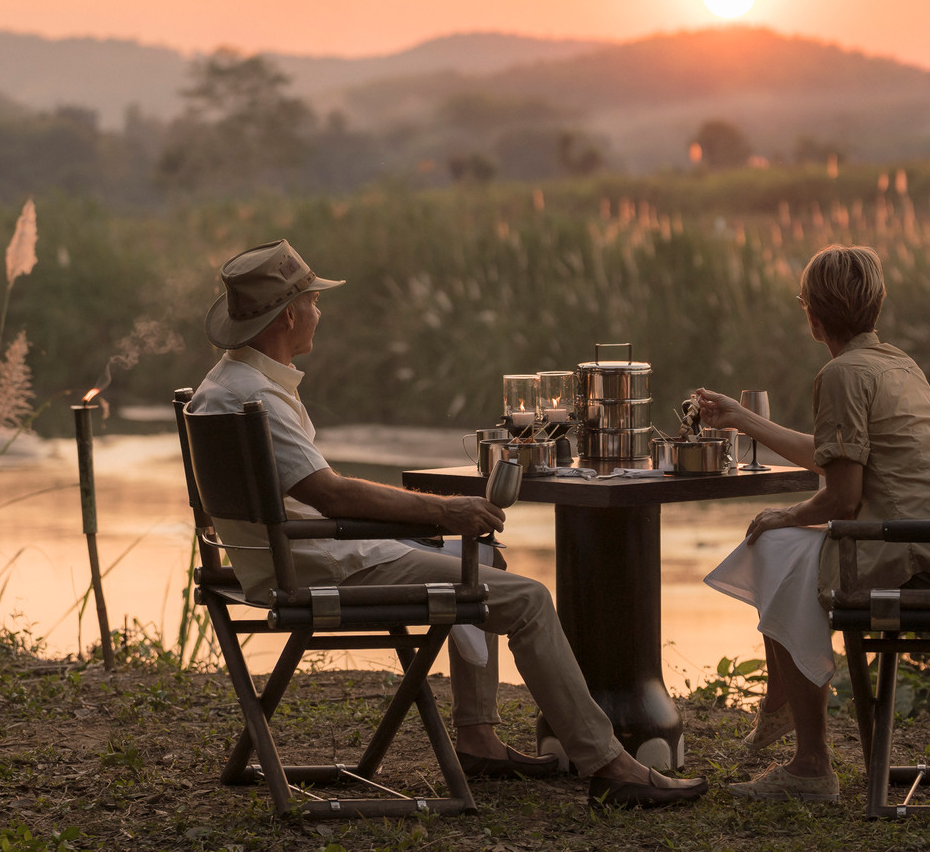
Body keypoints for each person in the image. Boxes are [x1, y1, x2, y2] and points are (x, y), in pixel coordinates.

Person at [188, 239, 705, 809]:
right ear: (289, 314)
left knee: (481, 560)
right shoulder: (255, 397)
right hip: (315, 567)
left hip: (275, 560)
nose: (319, 311)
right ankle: (611, 765)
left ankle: (478, 739)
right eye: (312, 300)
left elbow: (294, 499)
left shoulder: (221, 387)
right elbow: (330, 494)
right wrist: (446, 510)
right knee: (529, 599)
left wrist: (428, 520)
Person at [694, 244, 930, 802]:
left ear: (812, 316)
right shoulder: (895, 364)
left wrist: (783, 514)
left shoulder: (840, 374)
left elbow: (841, 497)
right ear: (876, 306)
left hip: (917, 561)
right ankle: (782, 709)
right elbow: (838, 455)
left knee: (778, 548)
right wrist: (743, 419)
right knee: (785, 547)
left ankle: (807, 757)